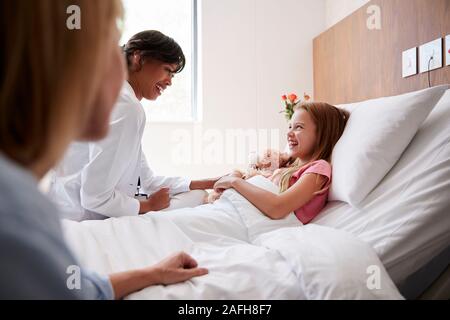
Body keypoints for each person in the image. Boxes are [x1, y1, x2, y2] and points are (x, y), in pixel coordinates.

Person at [0, 0, 207, 299]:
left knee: (195, 199)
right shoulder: (17, 214)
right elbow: (95, 195)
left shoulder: (23, 197)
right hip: (82, 214)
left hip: (75, 213)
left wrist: (202, 183)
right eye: (108, 41)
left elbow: (144, 175)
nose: (116, 55)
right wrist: (145, 207)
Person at [48, 30, 220, 221]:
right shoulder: (126, 107)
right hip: (85, 218)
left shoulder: (111, 96)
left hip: (63, 209)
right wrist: (149, 205)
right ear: (138, 58)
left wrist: (211, 181)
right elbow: (94, 198)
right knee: (196, 199)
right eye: (167, 70)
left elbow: (147, 180)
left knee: (197, 194)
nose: (170, 82)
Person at [213, 102, 350, 224]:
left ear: (322, 134)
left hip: (249, 218)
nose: (289, 133)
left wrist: (234, 183)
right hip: (234, 208)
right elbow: (244, 178)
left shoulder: (319, 168)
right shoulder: (289, 165)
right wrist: (192, 184)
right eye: (290, 127)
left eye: (299, 127)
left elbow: (277, 208)